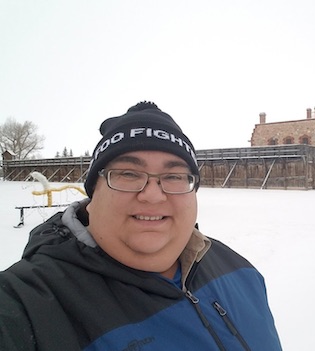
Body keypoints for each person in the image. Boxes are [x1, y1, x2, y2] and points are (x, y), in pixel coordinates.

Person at [0, 101, 282, 350]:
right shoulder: (29, 306)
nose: (152, 194)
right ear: (93, 193)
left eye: (174, 176)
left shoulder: (240, 271)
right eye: (128, 173)